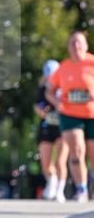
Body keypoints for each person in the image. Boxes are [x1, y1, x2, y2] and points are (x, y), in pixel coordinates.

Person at [46, 31, 94, 203]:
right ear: (68, 47)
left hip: (92, 114)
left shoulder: (92, 63)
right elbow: (49, 91)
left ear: (86, 45)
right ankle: (81, 188)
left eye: (79, 42)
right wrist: (56, 102)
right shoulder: (63, 68)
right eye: (72, 42)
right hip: (70, 114)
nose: (76, 46)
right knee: (77, 150)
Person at [34, 59, 68, 202]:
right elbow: (37, 106)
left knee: (60, 161)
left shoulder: (64, 88)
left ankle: (60, 190)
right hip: (47, 127)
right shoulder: (42, 90)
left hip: (62, 127)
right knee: (46, 163)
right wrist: (43, 112)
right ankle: (52, 181)